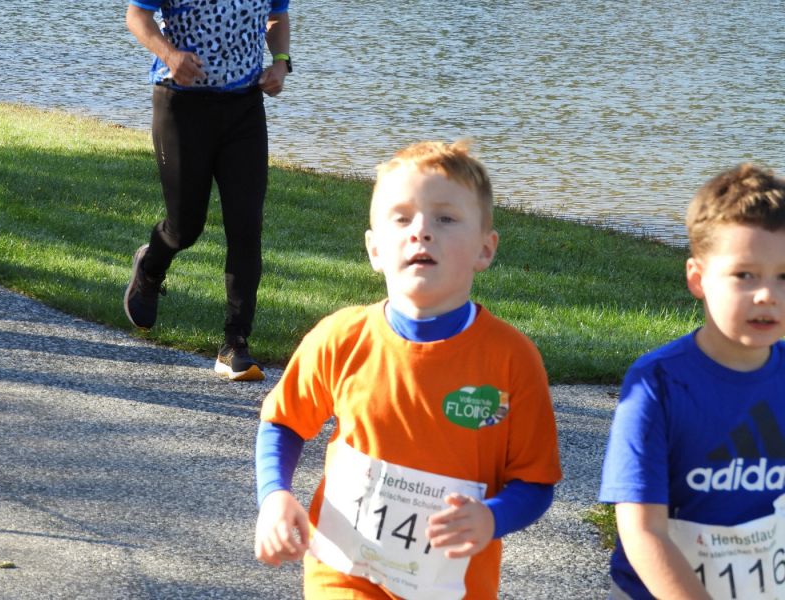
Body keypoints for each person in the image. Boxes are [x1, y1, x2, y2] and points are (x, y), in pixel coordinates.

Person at [253, 141, 562, 599]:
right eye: (401, 218)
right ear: (375, 249)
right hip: (343, 572)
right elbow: (283, 422)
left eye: (445, 218)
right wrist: (274, 495)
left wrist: (492, 517)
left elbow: (535, 482)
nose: (421, 232)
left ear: (485, 248)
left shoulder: (511, 359)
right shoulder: (341, 338)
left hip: (454, 586)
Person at [599, 164, 785, 599]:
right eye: (744, 275)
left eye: (784, 276)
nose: (767, 294)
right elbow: (642, 531)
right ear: (697, 278)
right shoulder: (657, 384)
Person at [123, 0, 292, 381]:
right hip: (181, 104)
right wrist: (170, 55)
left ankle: (235, 342)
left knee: (246, 226)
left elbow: (277, 15)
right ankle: (150, 268)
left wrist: (281, 62)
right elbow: (137, 16)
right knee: (185, 227)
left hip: (244, 107)